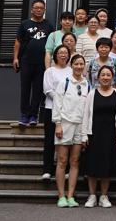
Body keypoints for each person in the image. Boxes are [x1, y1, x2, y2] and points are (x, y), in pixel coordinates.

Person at [51, 52, 90, 208]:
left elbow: (88, 110)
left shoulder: (87, 84)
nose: (79, 66)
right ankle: (61, 196)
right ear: (71, 65)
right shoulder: (64, 82)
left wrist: (86, 131)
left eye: (81, 64)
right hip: (65, 124)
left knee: (75, 161)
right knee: (62, 161)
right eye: (76, 64)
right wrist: (58, 124)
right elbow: (57, 104)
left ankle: (70, 196)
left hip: (80, 126)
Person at [82, 63, 116, 208]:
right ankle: (92, 196)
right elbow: (86, 115)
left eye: (108, 75)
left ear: (112, 77)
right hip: (94, 134)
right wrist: (84, 135)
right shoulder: (92, 94)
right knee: (92, 165)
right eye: (103, 75)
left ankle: (104, 196)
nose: (105, 77)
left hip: (110, 135)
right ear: (98, 77)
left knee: (107, 165)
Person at [14, 0, 54, 126]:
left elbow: (52, 44)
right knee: (25, 89)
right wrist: (15, 58)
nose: (39, 10)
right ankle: (24, 115)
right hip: (26, 61)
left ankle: (33, 115)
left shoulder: (49, 25)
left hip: (41, 63)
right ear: (32, 10)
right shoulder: (24, 24)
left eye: (41, 8)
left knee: (38, 89)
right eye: (36, 8)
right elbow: (18, 41)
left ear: (44, 10)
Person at [41, 44, 71, 181]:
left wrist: (67, 101)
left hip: (68, 111)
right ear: (56, 55)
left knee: (66, 140)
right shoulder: (50, 71)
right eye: (60, 53)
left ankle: (66, 169)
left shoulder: (72, 71)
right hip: (51, 108)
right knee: (49, 140)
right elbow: (48, 90)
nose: (63, 55)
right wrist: (62, 100)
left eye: (65, 53)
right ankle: (47, 170)